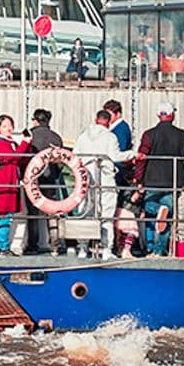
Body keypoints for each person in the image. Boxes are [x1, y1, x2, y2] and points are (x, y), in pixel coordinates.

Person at [132, 101, 184, 256]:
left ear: (158, 115)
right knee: (166, 218)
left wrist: (138, 180)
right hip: (174, 181)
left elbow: (143, 158)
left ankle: (149, 248)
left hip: (152, 180)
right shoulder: (182, 135)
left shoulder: (149, 135)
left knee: (148, 213)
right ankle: (159, 251)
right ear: (172, 115)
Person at [73, 108, 124, 257]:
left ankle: (82, 248)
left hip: (86, 180)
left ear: (96, 120)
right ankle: (106, 249)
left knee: (85, 213)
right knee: (106, 214)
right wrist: (133, 154)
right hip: (106, 180)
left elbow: (75, 157)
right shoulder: (111, 137)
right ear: (108, 123)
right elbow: (115, 156)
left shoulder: (83, 137)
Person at [24, 108, 65, 254]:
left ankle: (32, 245)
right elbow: (62, 161)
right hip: (50, 178)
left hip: (33, 179)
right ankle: (55, 244)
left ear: (35, 120)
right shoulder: (56, 137)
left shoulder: (31, 135)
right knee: (52, 212)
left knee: (33, 212)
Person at [0, 115, 30, 254]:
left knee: (8, 215)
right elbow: (13, 156)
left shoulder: (11, 142)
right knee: (4, 214)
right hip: (4, 180)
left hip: (11, 180)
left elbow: (19, 158)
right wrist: (25, 144)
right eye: (4, 126)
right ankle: (2, 246)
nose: (9, 129)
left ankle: (1, 244)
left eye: (10, 125)